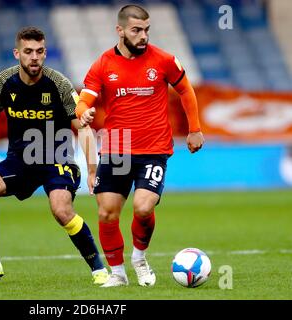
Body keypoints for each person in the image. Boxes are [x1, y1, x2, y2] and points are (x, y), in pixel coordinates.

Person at [0, 27, 108, 285]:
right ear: (17, 53)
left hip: (57, 158)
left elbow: (82, 127)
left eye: (39, 52)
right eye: (28, 52)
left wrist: (92, 169)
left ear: (45, 53)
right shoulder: (0, 83)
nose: (34, 57)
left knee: (61, 210)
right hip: (20, 159)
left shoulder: (59, 84)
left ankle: (99, 270)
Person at [76, 5, 204, 287]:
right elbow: (85, 99)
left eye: (146, 30)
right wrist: (82, 111)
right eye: (136, 30)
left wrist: (194, 129)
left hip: (154, 147)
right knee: (107, 211)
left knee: (144, 208)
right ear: (120, 31)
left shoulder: (164, 60)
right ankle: (118, 274)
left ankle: (140, 258)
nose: (143, 35)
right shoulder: (103, 64)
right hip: (117, 146)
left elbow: (185, 90)